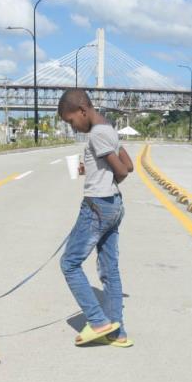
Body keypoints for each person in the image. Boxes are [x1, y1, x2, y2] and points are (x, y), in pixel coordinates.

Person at [57, 88, 135, 347]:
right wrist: (91, 170)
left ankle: (98, 321)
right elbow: (129, 163)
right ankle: (117, 331)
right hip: (113, 204)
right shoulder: (109, 130)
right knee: (109, 268)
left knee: (69, 263)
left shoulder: (97, 134)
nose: (72, 127)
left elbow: (123, 171)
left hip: (98, 205)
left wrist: (107, 179)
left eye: (71, 121)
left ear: (82, 110)